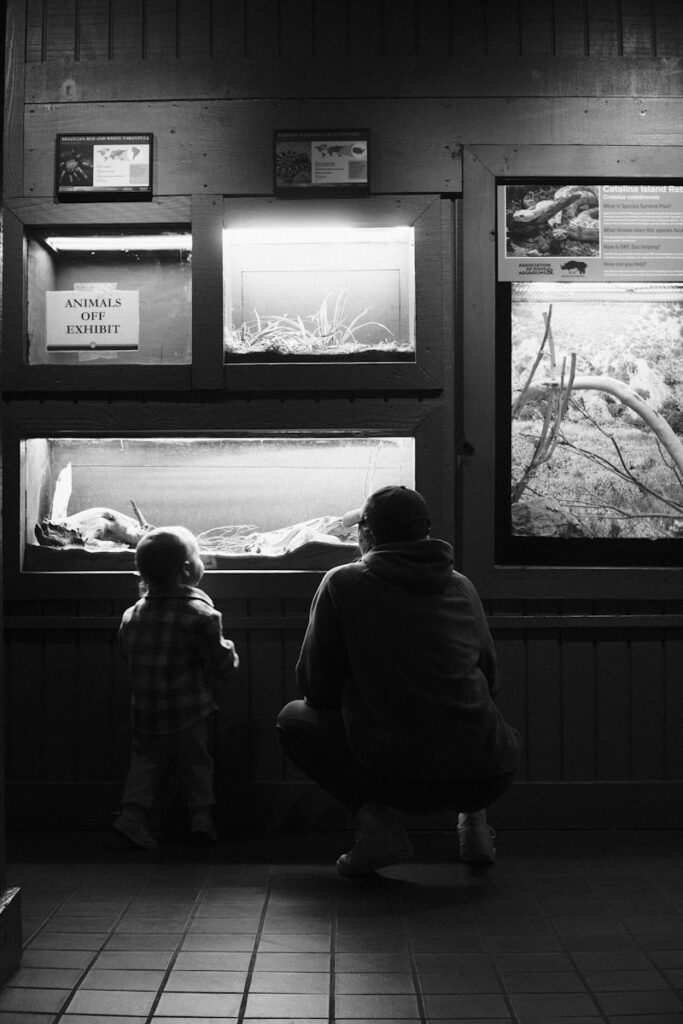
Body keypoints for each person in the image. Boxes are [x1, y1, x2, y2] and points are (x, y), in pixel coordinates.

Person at [276, 486, 520, 876]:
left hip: (400, 779)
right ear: (425, 532)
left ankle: (380, 829)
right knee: (465, 711)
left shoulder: (342, 583)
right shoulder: (462, 585)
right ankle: (474, 825)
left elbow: (315, 687)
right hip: (490, 771)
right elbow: (490, 680)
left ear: (367, 533)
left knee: (293, 719)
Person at [114, 526, 239, 850]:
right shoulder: (200, 614)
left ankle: (131, 816)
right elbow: (221, 662)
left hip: (145, 710)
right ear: (187, 569)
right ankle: (201, 819)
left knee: (144, 764)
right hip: (188, 711)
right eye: (197, 557)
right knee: (196, 764)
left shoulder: (132, 615)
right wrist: (231, 653)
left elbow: (125, 653)